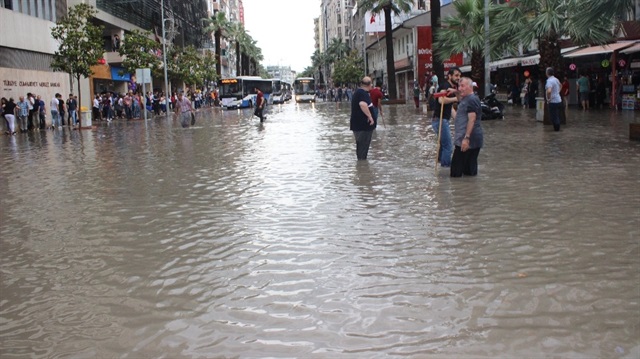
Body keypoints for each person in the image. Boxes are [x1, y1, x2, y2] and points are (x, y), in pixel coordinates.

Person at [450, 77, 483, 177]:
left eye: (462, 86)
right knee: (468, 173)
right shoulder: (466, 99)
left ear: (470, 87)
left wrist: (466, 138)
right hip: (468, 139)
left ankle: (462, 191)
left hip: (467, 140)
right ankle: (469, 191)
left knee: (456, 173)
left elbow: (472, 119)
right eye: (459, 86)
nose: (460, 88)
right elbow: (460, 100)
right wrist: (455, 92)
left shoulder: (471, 100)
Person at [431, 67, 461, 168]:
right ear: (449, 76)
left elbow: (450, 108)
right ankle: (446, 168)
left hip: (442, 119)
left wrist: (458, 119)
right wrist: (456, 98)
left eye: (459, 76)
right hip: (440, 120)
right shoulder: (445, 85)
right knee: (448, 146)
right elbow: (441, 100)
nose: (458, 78)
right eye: (456, 75)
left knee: (444, 145)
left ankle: (441, 165)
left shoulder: (451, 88)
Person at [350, 76, 376, 160]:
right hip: (363, 127)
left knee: (361, 148)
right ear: (369, 84)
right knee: (363, 148)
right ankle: (362, 165)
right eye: (371, 83)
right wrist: (370, 117)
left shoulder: (359, 92)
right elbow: (363, 104)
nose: (372, 85)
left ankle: (361, 168)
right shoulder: (362, 93)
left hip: (359, 126)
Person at [545, 67, 563, 132]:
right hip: (559, 100)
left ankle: (556, 129)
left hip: (553, 101)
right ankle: (557, 127)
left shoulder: (549, 81)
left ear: (547, 73)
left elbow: (549, 91)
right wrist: (557, 92)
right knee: (556, 115)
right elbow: (561, 85)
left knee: (553, 116)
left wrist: (549, 98)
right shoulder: (556, 79)